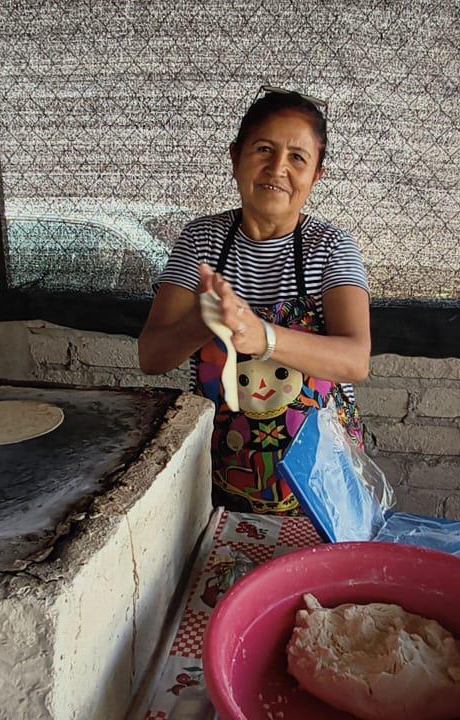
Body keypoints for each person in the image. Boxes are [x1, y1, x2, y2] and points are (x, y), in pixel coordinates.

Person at [138, 87, 371, 515]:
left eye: (297, 158)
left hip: (324, 481)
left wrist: (260, 335)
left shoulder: (331, 247)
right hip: (228, 472)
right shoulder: (201, 241)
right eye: (264, 149)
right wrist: (207, 320)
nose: (278, 168)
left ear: (316, 174)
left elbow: (355, 359)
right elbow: (152, 356)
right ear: (235, 157)